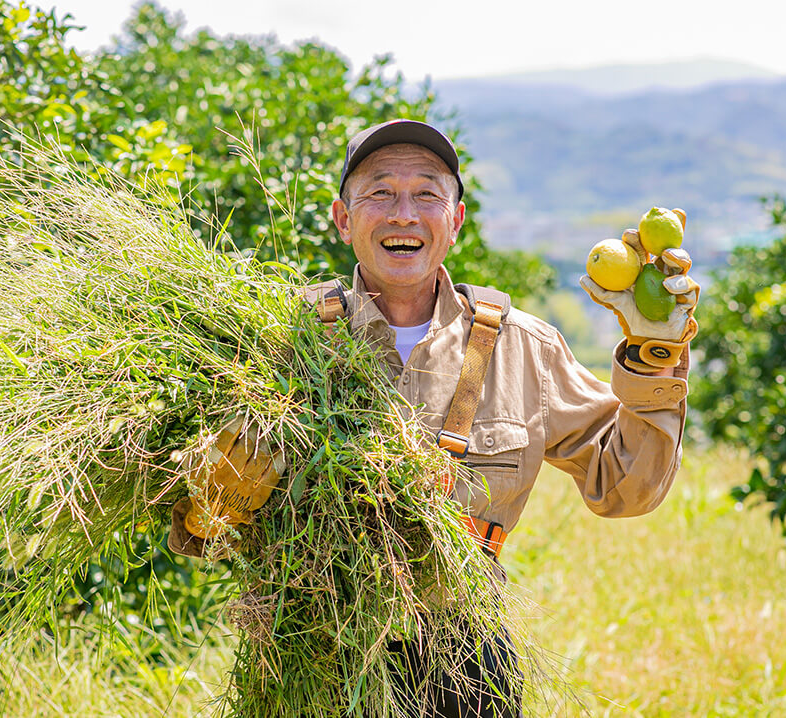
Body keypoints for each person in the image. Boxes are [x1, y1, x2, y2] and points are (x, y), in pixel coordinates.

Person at [169, 119, 698, 717]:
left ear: (455, 221)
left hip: (466, 661)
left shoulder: (522, 346)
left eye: (427, 193)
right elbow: (197, 526)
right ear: (344, 219)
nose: (403, 213)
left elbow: (625, 487)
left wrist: (655, 353)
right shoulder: (278, 343)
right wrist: (208, 506)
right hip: (311, 655)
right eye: (380, 192)